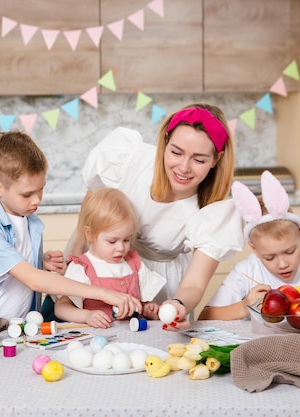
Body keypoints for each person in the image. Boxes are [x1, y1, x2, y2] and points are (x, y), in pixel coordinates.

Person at [73, 103, 245, 331]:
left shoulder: (211, 211)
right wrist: (75, 258)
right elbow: (92, 206)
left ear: (216, 159)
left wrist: (179, 304)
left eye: (199, 160)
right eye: (175, 152)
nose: (183, 167)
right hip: (98, 264)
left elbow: (194, 284)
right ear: (164, 142)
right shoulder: (130, 160)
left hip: (158, 286)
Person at [0, 131, 141, 321]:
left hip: (18, 327)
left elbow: (16, 267)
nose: (37, 200)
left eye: (41, 189)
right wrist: (104, 293)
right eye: (27, 194)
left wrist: (39, 261)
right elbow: (33, 280)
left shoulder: (30, 220)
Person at [198, 170, 300, 321]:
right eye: (269, 257)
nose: (282, 264)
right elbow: (204, 317)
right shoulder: (246, 272)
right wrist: (244, 306)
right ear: (254, 248)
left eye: (289, 252)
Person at [55, 188, 166, 328]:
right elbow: (61, 308)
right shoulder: (81, 268)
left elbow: (144, 303)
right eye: (112, 241)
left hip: (135, 339)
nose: (120, 248)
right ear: (89, 234)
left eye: (126, 240)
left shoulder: (134, 263)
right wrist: (87, 316)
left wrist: (148, 308)